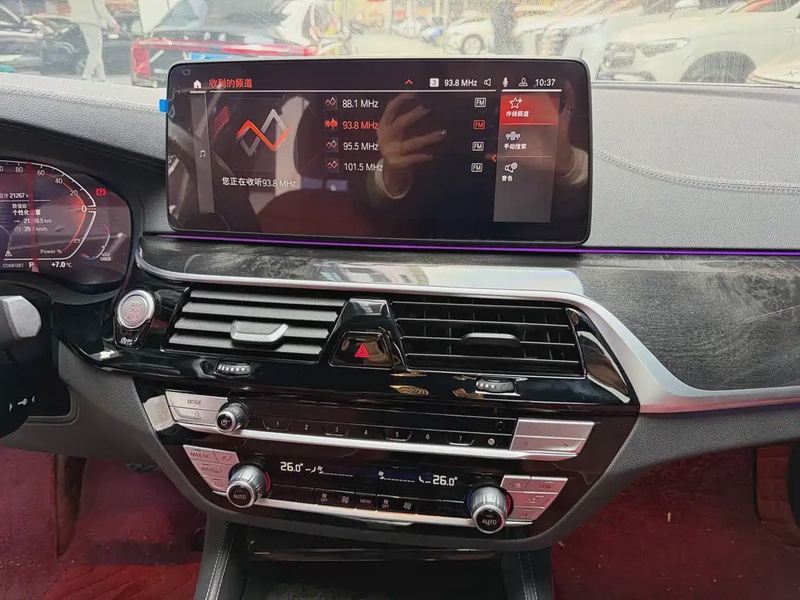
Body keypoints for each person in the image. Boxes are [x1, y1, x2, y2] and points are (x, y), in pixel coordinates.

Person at [67, 0, 119, 82]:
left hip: (82, 21)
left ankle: (101, 75)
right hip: (93, 22)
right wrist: (113, 23)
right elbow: (101, 9)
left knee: (95, 50)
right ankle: (87, 74)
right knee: (95, 51)